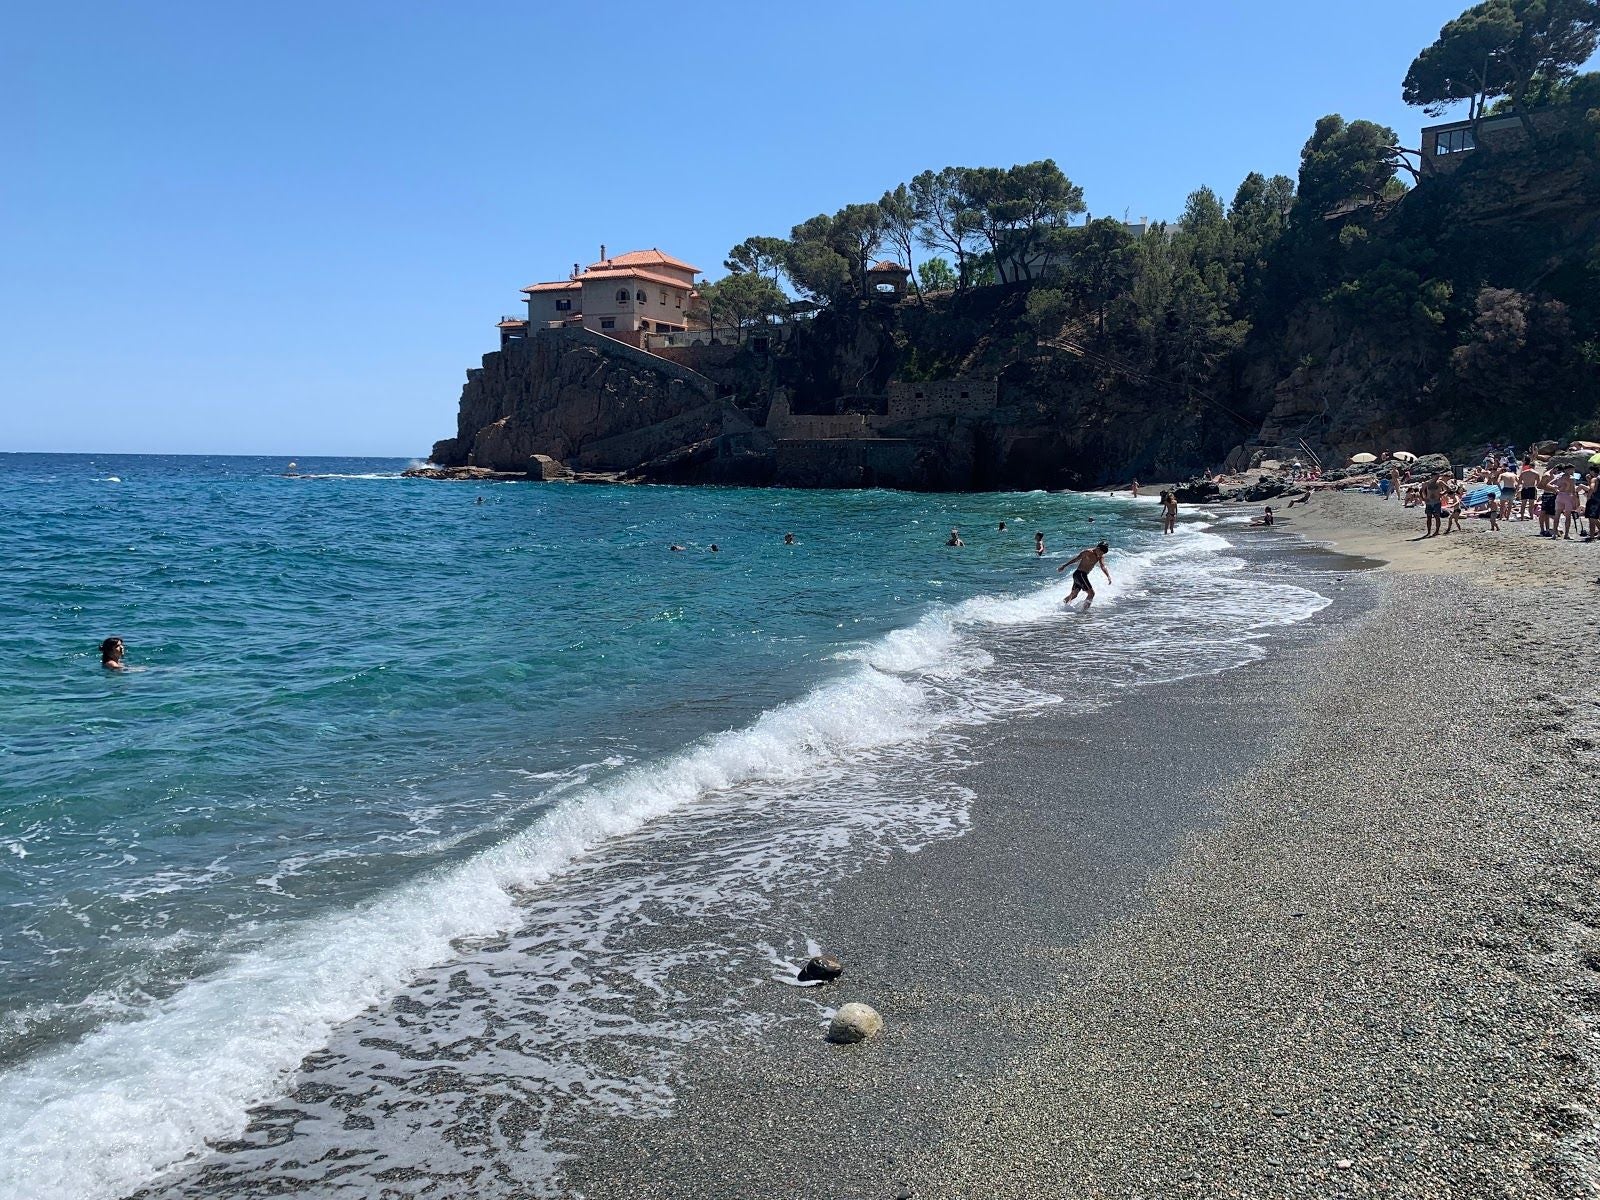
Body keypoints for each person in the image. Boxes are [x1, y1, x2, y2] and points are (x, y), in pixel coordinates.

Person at [1056, 540, 1111, 611]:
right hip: (1080, 574)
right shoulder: (1087, 552)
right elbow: (1076, 559)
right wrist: (1064, 566)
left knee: (1074, 595)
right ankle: (1084, 612)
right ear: (1097, 548)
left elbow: (1103, 566)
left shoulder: (1100, 557)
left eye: (1103, 553)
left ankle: (1059, 606)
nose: (1101, 554)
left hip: (1080, 575)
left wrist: (1108, 576)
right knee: (1091, 594)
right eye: (1101, 552)